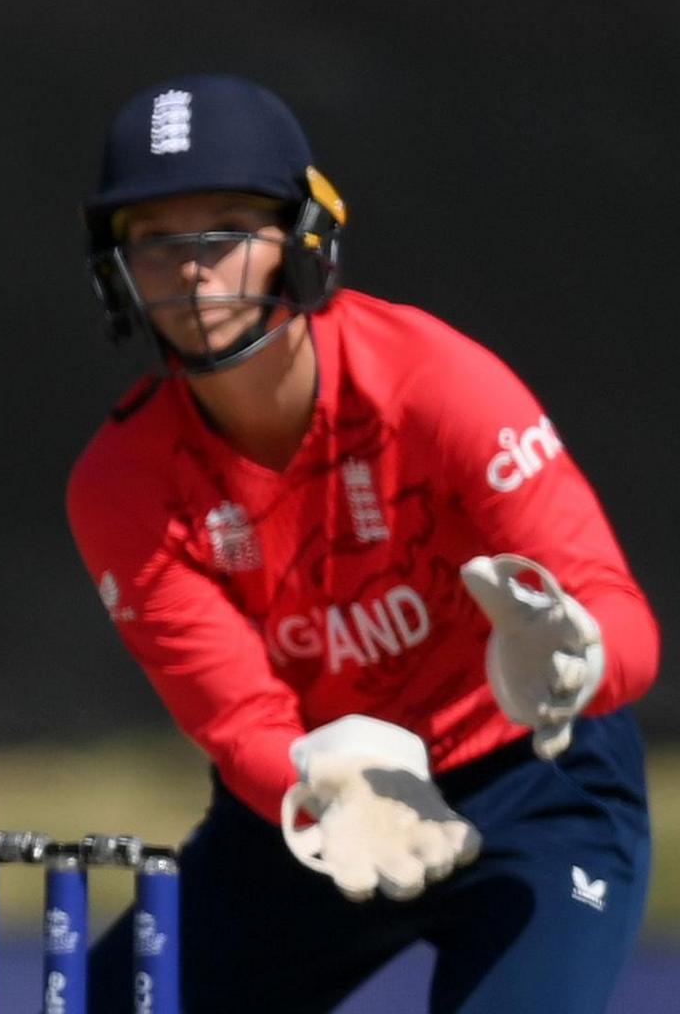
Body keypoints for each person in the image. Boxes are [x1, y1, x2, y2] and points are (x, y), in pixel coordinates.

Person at [66, 74, 659, 1014]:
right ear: (117, 271)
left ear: (304, 238)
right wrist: (324, 787)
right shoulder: (122, 483)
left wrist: (575, 661)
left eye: (225, 230)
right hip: (323, 799)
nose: (190, 270)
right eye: (154, 240)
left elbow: (620, 618)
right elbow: (240, 720)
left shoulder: (437, 385)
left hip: (533, 788)